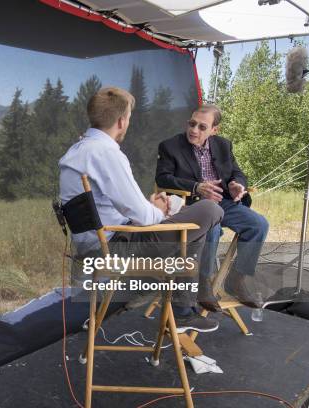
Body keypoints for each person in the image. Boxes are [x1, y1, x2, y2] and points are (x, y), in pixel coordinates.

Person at [59, 87, 223, 333]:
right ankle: (180, 307)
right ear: (122, 121)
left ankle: (171, 300)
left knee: (185, 232)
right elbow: (146, 218)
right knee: (210, 210)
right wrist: (158, 209)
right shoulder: (106, 153)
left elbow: (115, 206)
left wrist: (151, 207)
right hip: (116, 249)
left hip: (93, 245)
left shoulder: (75, 151)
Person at [156, 104, 269, 311]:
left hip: (223, 201)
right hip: (192, 205)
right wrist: (196, 187)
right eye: (192, 124)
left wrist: (237, 185)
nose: (194, 130)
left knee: (259, 224)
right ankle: (203, 283)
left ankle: (236, 279)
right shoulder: (170, 146)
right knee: (212, 229)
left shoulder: (223, 146)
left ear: (214, 130)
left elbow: (237, 172)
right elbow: (162, 179)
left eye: (202, 127)